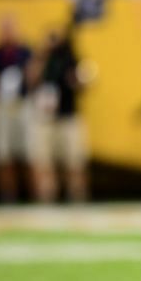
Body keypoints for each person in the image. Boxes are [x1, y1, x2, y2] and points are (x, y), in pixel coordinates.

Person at [28, 26, 88, 202]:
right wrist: (42, 56)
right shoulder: (40, 60)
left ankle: (77, 198)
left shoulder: (70, 59)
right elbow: (30, 80)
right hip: (45, 118)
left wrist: (75, 80)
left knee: (74, 163)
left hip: (68, 115)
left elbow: (82, 83)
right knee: (44, 163)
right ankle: (47, 199)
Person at [0, 16, 33, 203]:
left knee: (29, 153)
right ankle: (8, 196)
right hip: (2, 106)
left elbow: (34, 75)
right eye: (4, 29)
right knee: (3, 154)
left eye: (10, 28)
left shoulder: (26, 52)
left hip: (22, 104)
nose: (7, 33)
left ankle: (31, 195)